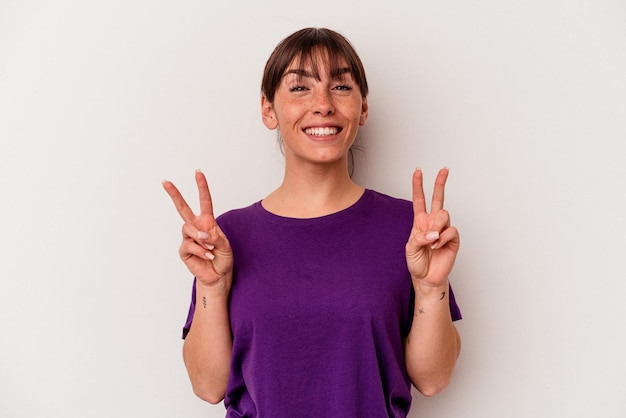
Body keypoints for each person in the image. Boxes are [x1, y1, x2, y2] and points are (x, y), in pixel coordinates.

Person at [162, 27, 462, 418]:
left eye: (340, 87)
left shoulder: (411, 230)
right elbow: (208, 385)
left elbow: (433, 379)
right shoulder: (227, 236)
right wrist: (212, 286)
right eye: (300, 88)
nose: (323, 104)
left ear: (363, 108)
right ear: (268, 110)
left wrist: (430, 287)